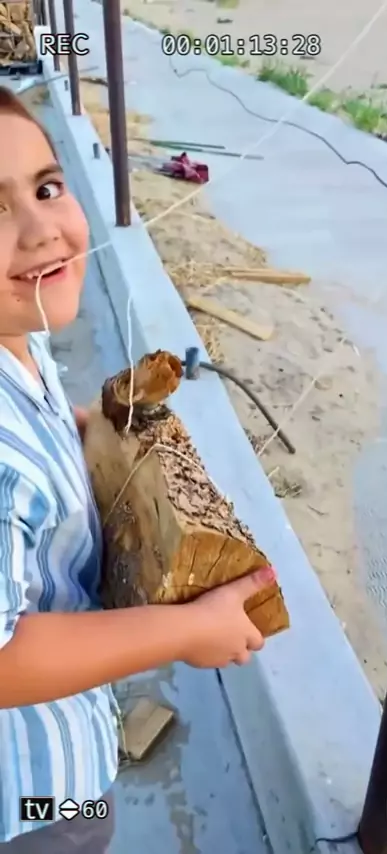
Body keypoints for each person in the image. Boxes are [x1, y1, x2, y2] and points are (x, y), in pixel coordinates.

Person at [0, 85, 276, 852]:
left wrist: (86, 433)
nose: (42, 230)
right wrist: (186, 631)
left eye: (46, 188)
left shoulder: (18, 333)